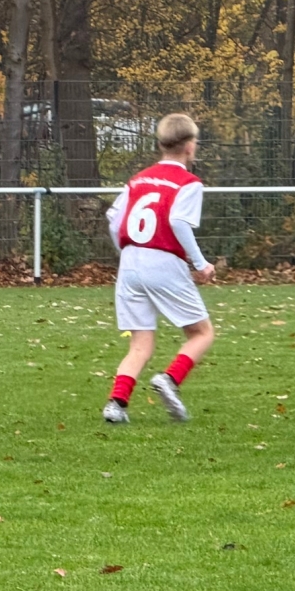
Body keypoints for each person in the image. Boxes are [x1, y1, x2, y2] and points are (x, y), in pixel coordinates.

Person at [102, 113, 216, 425]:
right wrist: (200, 263)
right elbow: (178, 221)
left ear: (161, 144)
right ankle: (170, 379)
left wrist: (127, 252)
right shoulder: (189, 183)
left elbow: (113, 219)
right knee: (201, 333)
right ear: (190, 146)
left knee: (140, 343)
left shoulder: (138, 179)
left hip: (130, 263)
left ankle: (116, 404)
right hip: (163, 261)